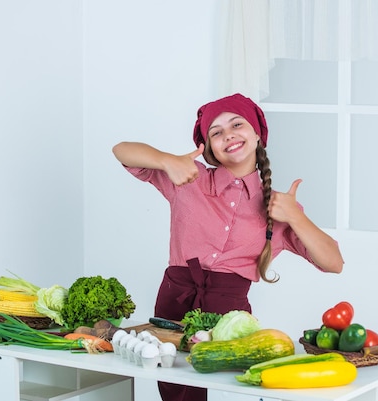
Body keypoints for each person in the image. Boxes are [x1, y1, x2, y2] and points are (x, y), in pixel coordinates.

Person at [112, 93, 344, 401]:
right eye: (216, 132)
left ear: (257, 133)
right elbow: (122, 151)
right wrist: (167, 161)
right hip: (174, 304)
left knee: (234, 389)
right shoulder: (187, 178)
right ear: (208, 148)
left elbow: (334, 262)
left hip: (230, 319)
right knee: (175, 390)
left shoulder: (279, 206)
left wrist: (295, 218)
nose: (228, 135)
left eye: (237, 124)